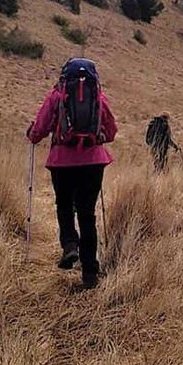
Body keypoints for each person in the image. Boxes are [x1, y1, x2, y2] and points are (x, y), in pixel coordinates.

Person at [27, 58, 117, 289]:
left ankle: (69, 245)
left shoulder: (56, 95)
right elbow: (112, 130)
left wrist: (33, 135)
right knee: (87, 215)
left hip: (62, 162)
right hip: (93, 162)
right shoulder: (98, 97)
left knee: (64, 205)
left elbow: (39, 129)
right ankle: (89, 274)